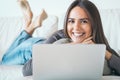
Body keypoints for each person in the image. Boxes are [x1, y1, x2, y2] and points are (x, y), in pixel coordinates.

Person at [22, 0, 120, 76]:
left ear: (94, 24)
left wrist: (104, 52)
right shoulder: (58, 36)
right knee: (7, 57)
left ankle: (29, 25)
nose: (76, 28)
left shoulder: (97, 39)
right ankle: (29, 27)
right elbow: (26, 70)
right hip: (30, 49)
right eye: (71, 21)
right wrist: (76, 45)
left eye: (84, 21)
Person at [0, 0, 65, 65]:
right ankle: (29, 23)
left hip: (38, 45)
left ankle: (28, 23)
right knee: (5, 60)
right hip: (36, 47)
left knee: (5, 59)